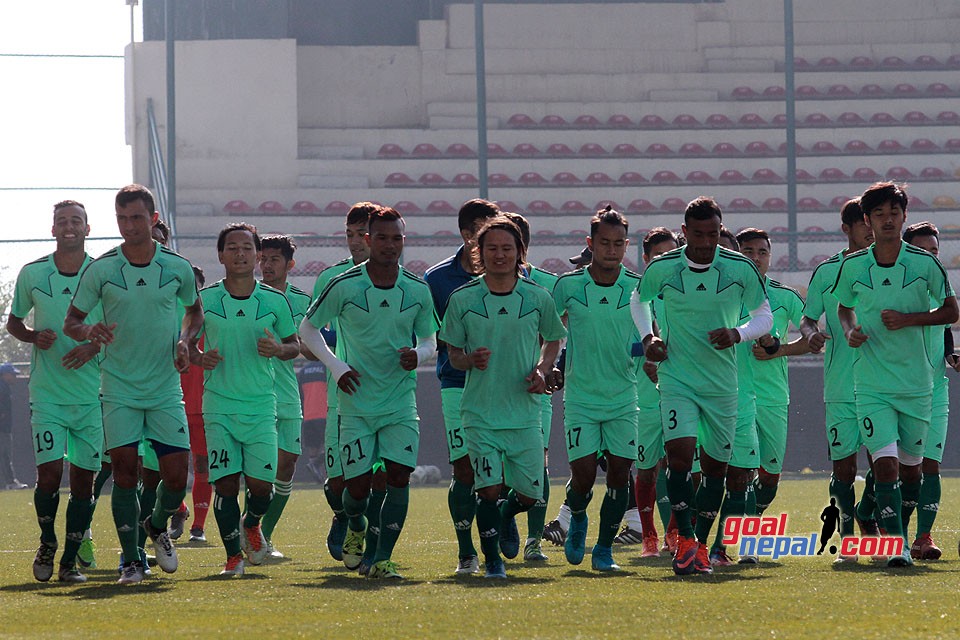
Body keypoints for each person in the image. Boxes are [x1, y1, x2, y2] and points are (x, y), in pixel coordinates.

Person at [64, 184, 204, 585]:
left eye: (137, 218)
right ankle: (131, 560)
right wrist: (88, 329)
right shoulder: (102, 269)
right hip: (119, 389)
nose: (129, 225)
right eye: (122, 218)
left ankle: (156, 524)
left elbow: (195, 313)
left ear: (154, 219)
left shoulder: (176, 267)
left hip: (164, 390)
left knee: (176, 479)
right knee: (125, 473)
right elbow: (71, 322)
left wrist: (184, 340)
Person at [633, 197, 772, 575]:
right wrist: (648, 338)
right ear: (684, 233)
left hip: (723, 385)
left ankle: (701, 544)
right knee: (679, 457)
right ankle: (687, 542)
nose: (707, 242)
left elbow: (764, 316)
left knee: (715, 470)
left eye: (712, 234)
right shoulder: (664, 269)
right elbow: (638, 299)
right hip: (677, 379)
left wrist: (738, 333)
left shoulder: (739, 268)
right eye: (698, 234)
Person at [300, 207, 439, 579]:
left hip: (399, 402)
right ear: (367, 240)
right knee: (355, 491)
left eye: (396, 238)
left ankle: (382, 560)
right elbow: (308, 328)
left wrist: (419, 354)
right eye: (381, 237)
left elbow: (430, 340)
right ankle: (356, 527)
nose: (389, 245)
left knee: (397, 476)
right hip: (355, 403)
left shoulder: (416, 289)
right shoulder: (344, 284)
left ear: (403, 242)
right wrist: (337, 366)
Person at [832, 182, 957, 567]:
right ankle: (896, 546)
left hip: (918, 385)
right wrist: (851, 329)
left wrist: (909, 320)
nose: (888, 220)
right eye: (880, 215)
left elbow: (951, 312)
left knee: (911, 472)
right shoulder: (854, 266)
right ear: (868, 221)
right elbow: (844, 307)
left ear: (904, 217)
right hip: (871, 385)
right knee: (884, 465)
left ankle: (895, 531)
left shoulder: (925, 264)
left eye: (895, 213)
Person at [439, 216, 565, 578]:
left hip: (524, 413)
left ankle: (506, 517)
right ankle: (492, 561)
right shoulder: (463, 299)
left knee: (529, 494)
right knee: (488, 489)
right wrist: (469, 360)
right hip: (480, 413)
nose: (499, 255)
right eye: (491, 248)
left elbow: (553, 339)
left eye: (507, 248)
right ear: (479, 252)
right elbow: (453, 354)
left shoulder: (538, 297)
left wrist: (542, 369)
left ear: (519, 252)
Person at [194, 223, 300, 576]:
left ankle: (251, 523)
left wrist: (278, 348)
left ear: (256, 255)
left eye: (246, 248)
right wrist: (197, 356)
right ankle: (232, 558)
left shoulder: (275, 301)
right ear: (221, 255)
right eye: (232, 247)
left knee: (261, 488)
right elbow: (184, 342)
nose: (240, 253)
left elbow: (294, 346)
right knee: (224, 484)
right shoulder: (204, 300)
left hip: (260, 407)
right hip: (220, 406)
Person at [6, 200, 103, 583]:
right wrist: (32, 336)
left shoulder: (103, 273)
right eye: (61, 221)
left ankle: (70, 558)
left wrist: (93, 346)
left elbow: (120, 327)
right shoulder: (33, 274)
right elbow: (14, 322)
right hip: (46, 395)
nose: (68, 227)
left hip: (92, 395)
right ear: (52, 229)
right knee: (48, 476)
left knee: (83, 481)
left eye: (75, 221)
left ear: (87, 228)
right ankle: (48, 542)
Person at [552, 207, 640, 572]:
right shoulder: (568, 286)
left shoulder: (638, 287)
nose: (612, 250)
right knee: (585, 475)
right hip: (582, 398)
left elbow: (647, 334)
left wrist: (649, 354)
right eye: (604, 243)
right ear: (591, 244)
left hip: (623, 397)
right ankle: (577, 515)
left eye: (619, 243)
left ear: (626, 245)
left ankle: (604, 549)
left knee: (620, 474)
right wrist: (552, 367)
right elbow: (547, 332)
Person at [423, 198, 500, 574]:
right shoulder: (437, 280)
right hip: (457, 384)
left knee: (507, 471)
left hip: (505, 386)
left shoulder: (517, 274)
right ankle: (467, 550)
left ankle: (503, 523)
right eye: (485, 232)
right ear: (468, 235)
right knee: (465, 469)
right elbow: (426, 332)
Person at [800, 198, 875, 562]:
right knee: (844, 468)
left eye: (872, 220)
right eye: (862, 222)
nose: (870, 228)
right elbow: (808, 317)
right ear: (846, 228)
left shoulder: (892, 265)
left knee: (886, 466)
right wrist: (811, 333)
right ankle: (847, 537)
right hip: (842, 386)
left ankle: (870, 522)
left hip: (886, 384)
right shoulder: (827, 272)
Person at [311, 202, 376, 562]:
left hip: (388, 396)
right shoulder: (330, 279)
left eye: (361, 234)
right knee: (340, 483)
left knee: (378, 476)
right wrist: (336, 358)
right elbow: (312, 332)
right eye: (349, 235)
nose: (355, 242)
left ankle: (373, 544)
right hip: (342, 395)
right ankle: (344, 515)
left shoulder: (401, 280)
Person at [502, 211, 560, 563]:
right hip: (491, 393)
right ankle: (501, 525)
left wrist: (548, 367)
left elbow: (558, 334)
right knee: (497, 468)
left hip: (533, 391)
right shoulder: (480, 287)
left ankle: (534, 540)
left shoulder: (546, 286)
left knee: (537, 465)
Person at [738, 228, 806, 518]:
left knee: (770, 476)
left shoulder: (785, 297)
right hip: (734, 395)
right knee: (738, 470)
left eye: (762, 252)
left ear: (770, 256)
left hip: (773, 397)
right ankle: (739, 534)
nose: (756, 257)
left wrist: (779, 350)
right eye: (748, 251)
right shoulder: (722, 295)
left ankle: (748, 521)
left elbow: (810, 338)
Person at [900, 221, 958, 559]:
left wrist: (950, 357)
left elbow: (945, 328)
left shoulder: (941, 290)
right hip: (896, 391)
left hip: (935, 388)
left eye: (934, 251)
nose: (930, 257)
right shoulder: (895, 288)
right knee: (895, 469)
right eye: (923, 251)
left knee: (930, 464)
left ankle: (923, 537)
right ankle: (890, 532)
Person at [257, 234, 312, 559]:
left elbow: (316, 349)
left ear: (290, 264)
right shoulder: (249, 297)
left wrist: (290, 347)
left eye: (274, 259)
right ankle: (253, 536)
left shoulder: (303, 302)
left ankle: (264, 535)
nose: (267, 265)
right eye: (263, 259)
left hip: (288, 393)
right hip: (254, 394)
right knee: (260, 469)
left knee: (287, 465)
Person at [629, 227, 679, 558]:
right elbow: (624, 342)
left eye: (671, 254)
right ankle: (648, 536)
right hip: (646, 397)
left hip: (681, 391)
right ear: (646, 260)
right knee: (646, 469)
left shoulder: (685, 292)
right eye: (658, 256)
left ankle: (675, 533)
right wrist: (646, 349)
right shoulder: (636, 296)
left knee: (687, 465)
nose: (665, 261)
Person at [0, 363, 27, 491]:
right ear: (5, 375)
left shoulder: (4, 387)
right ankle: (10, 482)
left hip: (4, 428)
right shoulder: (2, 387)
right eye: (12, 374)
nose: (15, 377)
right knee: (5, 455)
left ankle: (10, 481)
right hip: (2, 428)